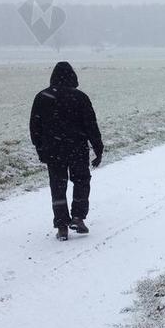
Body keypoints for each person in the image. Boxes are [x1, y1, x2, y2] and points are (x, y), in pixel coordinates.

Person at [30, 61, 103, 241]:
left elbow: (35, 127)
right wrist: (98, 148)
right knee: (81, 181)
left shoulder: (42, 97)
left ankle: (62, 226)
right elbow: (91, 125)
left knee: (57, 186)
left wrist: (40, 148)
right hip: (77, 148)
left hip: (53, 150)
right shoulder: (80, 97)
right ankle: (78, 217)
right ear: (73, 77)